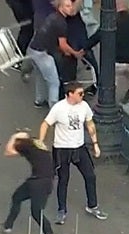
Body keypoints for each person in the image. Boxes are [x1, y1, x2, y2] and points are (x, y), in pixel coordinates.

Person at [38, 82, 107, 225]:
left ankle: (92, 205)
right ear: (70, 94)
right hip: (62, 148)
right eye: (80, 93)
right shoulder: (59, 108)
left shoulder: (84, 107)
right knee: (63, 180)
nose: (83, 96)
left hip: (79, 147)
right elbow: (46, 124)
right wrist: (40, 141)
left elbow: (90, 124)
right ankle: (61, 210)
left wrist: (95, 144)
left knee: (90, 175)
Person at [27, 0, 82, 108]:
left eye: (71, 5)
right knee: (54, 82)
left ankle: (39, 100)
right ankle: (55, 109)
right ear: (60, 6)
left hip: (32, 50)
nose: (70, 8)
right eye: (67, 6)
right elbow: (63, 45)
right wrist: (75, 53)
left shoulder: (53, 16)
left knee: (40, 76)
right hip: (41, 53)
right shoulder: (61, 23)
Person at [2, 132, 54, 234]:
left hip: (38, 183)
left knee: (36, 212)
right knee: (17, 197)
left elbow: (8, 152)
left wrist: (13, 137)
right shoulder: (37, 144)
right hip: (45, 181)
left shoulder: (25, 145)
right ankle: (8, 225)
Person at [5, 0, 34, 71]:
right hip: (21, 5)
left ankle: (17, 56)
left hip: (19, 4)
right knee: (27, 30)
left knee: (27, 29)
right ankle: (17, 58)